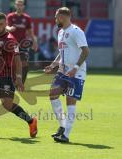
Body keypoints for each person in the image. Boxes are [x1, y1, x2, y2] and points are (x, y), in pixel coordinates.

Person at [0, 12, 37, 138]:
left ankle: (31, 121)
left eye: (1, 24)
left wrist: (18, 78)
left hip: (6, 78)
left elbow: (17, 60)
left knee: (7, 105)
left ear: (5, 24)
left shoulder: (11, 40)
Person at [44, 7, 89, 143]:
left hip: (76, 73)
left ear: (63, 17)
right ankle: (62, 126)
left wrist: (75, 68)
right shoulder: (60, 32)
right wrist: (53, 64)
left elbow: (85, 51)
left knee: (70, 102)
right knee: (53, 93)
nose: (55, 19)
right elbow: (62, 51)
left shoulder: (76, 32)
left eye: (56, 17)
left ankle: (66, 135)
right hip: (62, 71)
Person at [6, 0, 38, 83]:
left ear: (23, 6)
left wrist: (34, 42)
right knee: (13, 63)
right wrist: (10, 28)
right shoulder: (10, 16)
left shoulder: (27, 18)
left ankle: (21, 83)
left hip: (23, 43)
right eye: (17, 5)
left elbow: (30, 31)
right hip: (12, 43)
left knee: (24, 63)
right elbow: (6, 27)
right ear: (15, 6)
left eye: (21, 5)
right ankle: (12, 81)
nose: (19, 6)